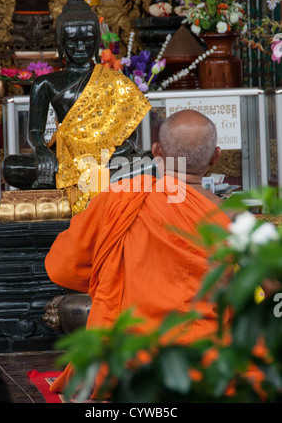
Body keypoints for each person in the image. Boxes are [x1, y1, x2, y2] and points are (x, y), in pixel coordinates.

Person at [45, 109, 234, 397]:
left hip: (120, 360)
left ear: (156, 152)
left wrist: (115, 276)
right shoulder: (231, 217)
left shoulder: (120, 197)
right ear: (215, 156)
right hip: (198, 360)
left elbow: (62, 267)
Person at [2, 0, 151, 214]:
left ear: (97, 41)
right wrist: (41, 150)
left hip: (105, 159)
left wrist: (114, 152)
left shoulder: (114, 80)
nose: (80, 47)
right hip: (65, 159)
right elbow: (34, 132)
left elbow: (131, 136)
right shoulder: (45, 83)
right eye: (72, 41)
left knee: (146, 164)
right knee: (12, 166)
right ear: (61, 43)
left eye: (87, 40)